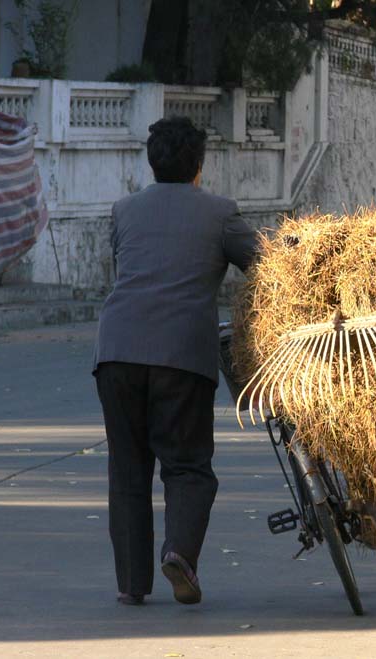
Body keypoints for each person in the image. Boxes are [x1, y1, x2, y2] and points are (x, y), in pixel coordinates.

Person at [93, 116, 259, 606]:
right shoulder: (220, 213)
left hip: (116, 353)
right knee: (187, 466)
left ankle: (131, 585)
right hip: (182, 356)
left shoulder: (124, 210)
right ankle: (180, 554)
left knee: (128, 468)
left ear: (152, 161)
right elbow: (267, 264)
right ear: (199, 166)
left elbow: (131, 270)